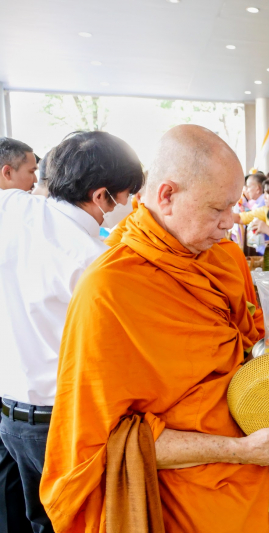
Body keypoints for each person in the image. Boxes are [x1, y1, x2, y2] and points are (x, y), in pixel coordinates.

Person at [40, 125, 269, 532]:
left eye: (234, 206)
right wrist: (238, 450)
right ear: (166, 195)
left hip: (245, 490)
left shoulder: (224, 258)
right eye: (217, 209)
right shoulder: (109, 289)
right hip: (176, 500)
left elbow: (251, 354)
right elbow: (105, 441)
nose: (230, 222)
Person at [1, 131, 144, 533]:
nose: (129, 205)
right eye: (127, 195)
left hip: (9, 416)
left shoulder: (12, 206)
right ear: (102, 197)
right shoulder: (95, 263)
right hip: (59, 423)